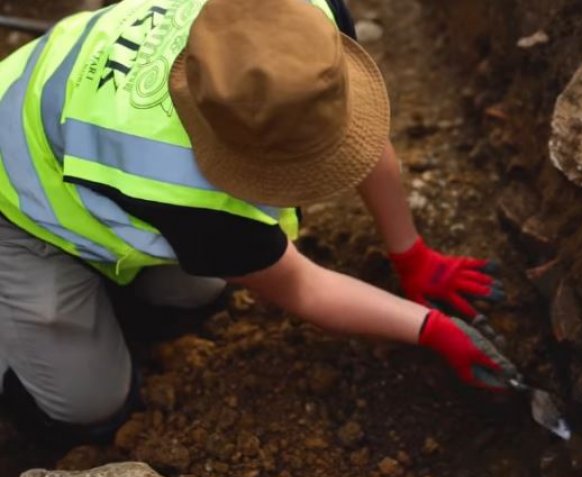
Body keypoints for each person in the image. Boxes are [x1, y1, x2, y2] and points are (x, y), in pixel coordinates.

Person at [0, 0, 515, 445]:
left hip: (57, 92)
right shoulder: (179, 186)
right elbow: (303, 287)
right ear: (223, 149)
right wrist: (432, 330)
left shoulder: (299, 17)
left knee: (196, 292)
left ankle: (114, 294)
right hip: (15, 204)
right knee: (92, 408)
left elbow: (354, 126)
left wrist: (412, 255)